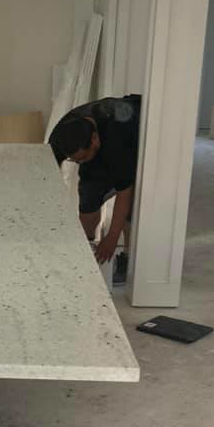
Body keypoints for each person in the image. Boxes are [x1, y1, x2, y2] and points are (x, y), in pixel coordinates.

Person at [49, 95, 141, 285]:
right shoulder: (61, 137)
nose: (78, 163)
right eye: (74, 161)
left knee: (131, 208)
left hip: (133, 141)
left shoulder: (119, 135)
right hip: (99, 158)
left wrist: (112, 237)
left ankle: (127, 257)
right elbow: (47, 173)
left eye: (82, 158)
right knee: (87, 206)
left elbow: (124, 191)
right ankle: (87, 252)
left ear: (94, 138)